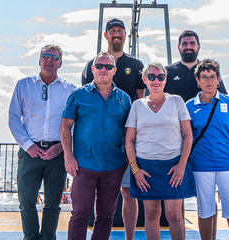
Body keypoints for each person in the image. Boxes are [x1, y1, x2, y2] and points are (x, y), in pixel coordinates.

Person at [81, 18, 145, 239]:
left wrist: (135, 140)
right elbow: (85, 104)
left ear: (125, 35)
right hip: (96, 146)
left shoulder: (136, 66)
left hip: (126, 142)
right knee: (93, 198)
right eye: (112, 31)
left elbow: (140, 104)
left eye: (120, 30)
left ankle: (129, 238)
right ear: (106, 35)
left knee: (129, 194)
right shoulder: (91, 64)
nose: (116, 34)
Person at [8, 44, 76, 240]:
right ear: (39, 61)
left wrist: (61, 147)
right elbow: (13, 117)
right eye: (45, 56)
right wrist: (28, 146)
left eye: (54, 58)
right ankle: (30, 237)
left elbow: (75, 123)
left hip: (57, 153)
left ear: (60, 63)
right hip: (30, 153)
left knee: (53, 202)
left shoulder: (70, 90)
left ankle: (48, 238)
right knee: (26, 201)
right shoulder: (23, 85)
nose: (49, 60)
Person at [61, 52, 132, 240]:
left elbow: (130, 134)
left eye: (108, 67)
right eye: (99, 65)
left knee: (106, 216)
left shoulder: (124, 99)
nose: (103, 69)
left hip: (115, 166)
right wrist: (68, 156)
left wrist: (129, 160)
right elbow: (65, 126)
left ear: (114, 71)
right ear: (92, 69)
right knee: (79, 214)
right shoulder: (77, 95)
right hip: (84, 165)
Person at [124, 62, 195, 240]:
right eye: (152, 77)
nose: (156, 80)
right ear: (144, 80)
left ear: (165, 80)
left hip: (173, 165)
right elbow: (129, 140)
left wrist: (181, 165)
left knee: (174, 215)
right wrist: (135, 170)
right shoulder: (137, 106)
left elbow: (188, 135)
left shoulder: (177, 101)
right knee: (151, 214)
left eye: (160, 77)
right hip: (146, 167)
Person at [186, 59, 229, 240]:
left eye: (212, 77)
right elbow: (186, 137)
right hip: (200, 166)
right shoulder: (189, 105)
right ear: (198, 80)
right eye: (204, 77)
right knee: (205, 210)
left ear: (218, 79)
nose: (209, 81)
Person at [165, 30, 227, 102]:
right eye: (184, 44)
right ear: (179, 47)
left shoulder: (210, 71)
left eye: (192, 43)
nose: (188, 47)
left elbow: (223, 99)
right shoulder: (167, 72)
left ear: (199, 46)